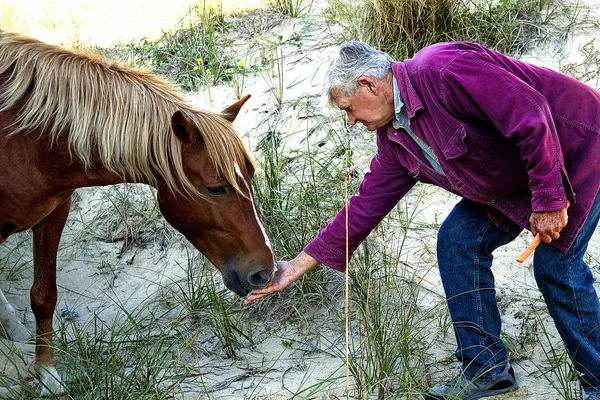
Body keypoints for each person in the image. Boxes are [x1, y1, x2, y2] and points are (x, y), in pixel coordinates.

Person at [244, 40, 600, 399]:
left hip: (581, 148)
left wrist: (550, 198)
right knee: (458, 240)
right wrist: (298, 266)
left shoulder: (441, 69)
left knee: (557, 267)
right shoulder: (394, 137)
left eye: (349, 108)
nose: (350, 120)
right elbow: (365, 205)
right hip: (515, 183)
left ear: (370, 85)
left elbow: (530, 113)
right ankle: (486, 370)